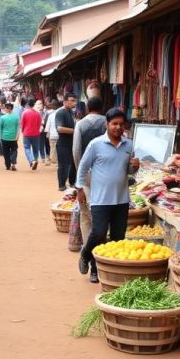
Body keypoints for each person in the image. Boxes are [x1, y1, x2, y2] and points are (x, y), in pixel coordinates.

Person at [76, 108, 138, 283]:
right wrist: (80, 189)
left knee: (118, 237)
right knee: (99, 233)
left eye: (121, 124)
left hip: (121, 200)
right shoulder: (96, 144)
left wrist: (136, 166)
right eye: (114, 124)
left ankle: (110, 270)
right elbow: (82, 167)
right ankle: (87, 255)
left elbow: (129, 171)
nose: (118, 127)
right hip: (100, 199)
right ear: (107, 125)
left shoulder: (129, 145)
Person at [73, 96, 107, 243]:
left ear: (87, 108)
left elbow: (76, 150)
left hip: (87, 174)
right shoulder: (108, 122)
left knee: (86, 213)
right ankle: (102, 246)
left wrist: (80, 171)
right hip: (106, 173)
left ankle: (88, 246)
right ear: (101, 107)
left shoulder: (81, 124)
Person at [55, 93, 79, 190]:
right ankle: (61, 185)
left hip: (72, 143)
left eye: (75, 100)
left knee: (73, 164)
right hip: (63, 144)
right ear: (65, 101)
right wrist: (76, 131)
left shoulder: (72, 113)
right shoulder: (61, 112)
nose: (74, 102)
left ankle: (72, 183)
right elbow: (60, 129)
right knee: (63, 165)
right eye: (72, 100)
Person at [20, 99, 44, 171]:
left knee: (27, 148)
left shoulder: (24, 113)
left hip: (27, 133)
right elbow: (39, 124)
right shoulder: (38, 114)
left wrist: (23, 131)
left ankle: (31, 160)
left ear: (27, 104)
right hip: (36, 134)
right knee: (35, 149)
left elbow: (22, 123)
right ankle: (35, 160)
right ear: (34, 104)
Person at [0, 101, 21, 171]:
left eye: (6, 108)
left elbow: (0, 128)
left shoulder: (2, 118)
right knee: (14, 151)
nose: (5, 109)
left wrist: (0, 136)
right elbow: (18, 128)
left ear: (9, 108)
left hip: (4, 138)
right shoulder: (16, 117)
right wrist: (17, 136)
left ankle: (8, 165)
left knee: (6, 152)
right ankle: (13, 164)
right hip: (13, 138)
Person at [44, 100, 60, 166]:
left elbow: (47, 127)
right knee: (59, 148)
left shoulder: (50, 115)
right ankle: (58, 161)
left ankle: (54, 161)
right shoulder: (61, 113)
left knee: (53, 148)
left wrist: (46, 132)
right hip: (60, 135)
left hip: (52, 135)